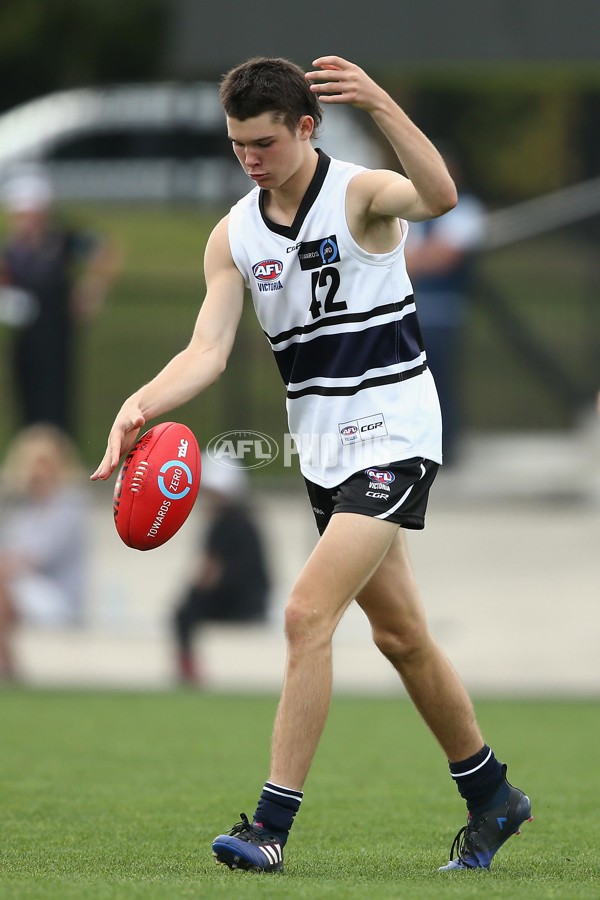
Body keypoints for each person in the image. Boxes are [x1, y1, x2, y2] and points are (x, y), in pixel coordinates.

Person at [91, 55, 531, 873]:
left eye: (263, 142)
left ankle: (269, 828)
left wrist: (382, 101)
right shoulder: (235, 234)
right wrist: (141, 403)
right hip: (324, 451)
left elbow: (438, 197)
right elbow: (208, 350)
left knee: (304, 615)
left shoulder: (361, 194)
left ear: (306, 126)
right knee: (401, 636)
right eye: (236, 145)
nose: (250, 158)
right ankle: (493, 797)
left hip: (396, 432)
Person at [0, 167, 116, 435]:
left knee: (56, 399)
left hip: (57, 335)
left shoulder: (63, 240)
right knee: (25, 397)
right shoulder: (14, 250)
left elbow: (104, 252)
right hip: (25, 338)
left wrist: (91, 290)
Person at [404, 153, 486, 464]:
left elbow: (441, 258)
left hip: (445, 313)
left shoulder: (467, 211)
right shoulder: (407, 211)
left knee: (442, 383)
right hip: (410, 312)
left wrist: (417, 260)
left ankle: (446, 451)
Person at [0, 424, 89, 680]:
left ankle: (9, 666)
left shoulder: (69, 507)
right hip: (24, 589)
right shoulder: (22, 507)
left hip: (56, 596)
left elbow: (33, 559)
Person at [172, 456, 271, 685]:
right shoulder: (216, 525)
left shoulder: (243, 525)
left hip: (245, 600)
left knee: (190, 605)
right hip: (224, 596)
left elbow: (251, 573)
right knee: (185, 609)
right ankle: (188, 668)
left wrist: (218, 576)